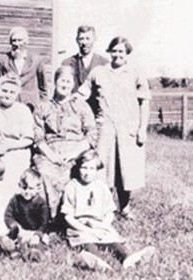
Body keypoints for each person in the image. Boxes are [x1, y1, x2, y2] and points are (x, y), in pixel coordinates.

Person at [78, 36, 151, 217]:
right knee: (104, 168)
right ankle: (104, 207)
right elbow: (83, 92)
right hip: (105, 127)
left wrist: (143, 128)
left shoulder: (135, 73)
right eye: (115, 51)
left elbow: (145, 102)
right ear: (109, 52)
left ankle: (125, 207)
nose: (117, 55)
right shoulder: (99, 72)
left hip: (128, 128)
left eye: (121, 51)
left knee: (125, 169)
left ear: (127, 54)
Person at [61, 150, 155, 271]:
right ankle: (96, 262)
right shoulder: (72, 187)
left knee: (113, 241)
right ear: (78, 168)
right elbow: (68, 217)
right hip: (80, 226)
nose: (87, 172)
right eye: (84, 167)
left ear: (97, 170)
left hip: (99, 224)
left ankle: (128, 258)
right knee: (87, 241)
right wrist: (87, 229)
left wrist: (103, 226)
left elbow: (109, 212)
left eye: (91, 168)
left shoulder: (101, 187)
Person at [33, 66, 97, 219]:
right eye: (62, 80)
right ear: (55, 82)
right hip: (50, 150)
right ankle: (49, 218)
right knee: (44, 171)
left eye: (69, 81)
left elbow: (91, 134)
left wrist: (74, 153)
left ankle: (77, 215)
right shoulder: (43, 107)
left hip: (77, 150)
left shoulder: (81, 106)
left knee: (81, 171)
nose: (65, 85)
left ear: (73, 84)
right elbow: (38, 136)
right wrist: (51, 155)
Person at [0, 26, 48, 112]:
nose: (17, 44)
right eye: (14, 40)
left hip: (31, 106)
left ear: (26, 42)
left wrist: (43, 105)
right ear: (10, 42)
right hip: (9, 106)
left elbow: (43, 87)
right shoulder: (2, 60)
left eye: (20, 40)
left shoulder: (36, 60)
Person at [4, 168, 50, 261]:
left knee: (38, 244)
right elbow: (8, 215)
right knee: (8, 239)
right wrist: (14, 225)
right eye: (24, 187)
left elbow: (44, 223)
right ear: (19, 186)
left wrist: (37, 235)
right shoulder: (15, 199)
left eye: (31, 188)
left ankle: (35, 254)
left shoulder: (41, 203)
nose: (27, 191)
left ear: (38, 189)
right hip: (21, 230)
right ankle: (15, 250)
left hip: (36, 232)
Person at [61, 25, 108, 116]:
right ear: (77, 40)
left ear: (94, 39)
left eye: (88, 38)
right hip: (74, 114)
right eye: (81, 39)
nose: (84, 42)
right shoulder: (67, 63)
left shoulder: (104, 64)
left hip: (97, 114)